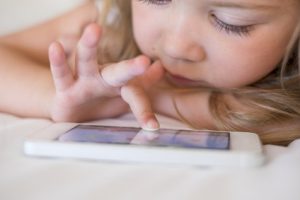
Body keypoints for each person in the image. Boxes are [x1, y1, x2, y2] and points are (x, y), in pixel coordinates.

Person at [0, 0, 299, 145]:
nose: (174, 46)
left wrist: (154, 94)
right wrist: (53, 97)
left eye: (230, 22)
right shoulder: (110, 18)